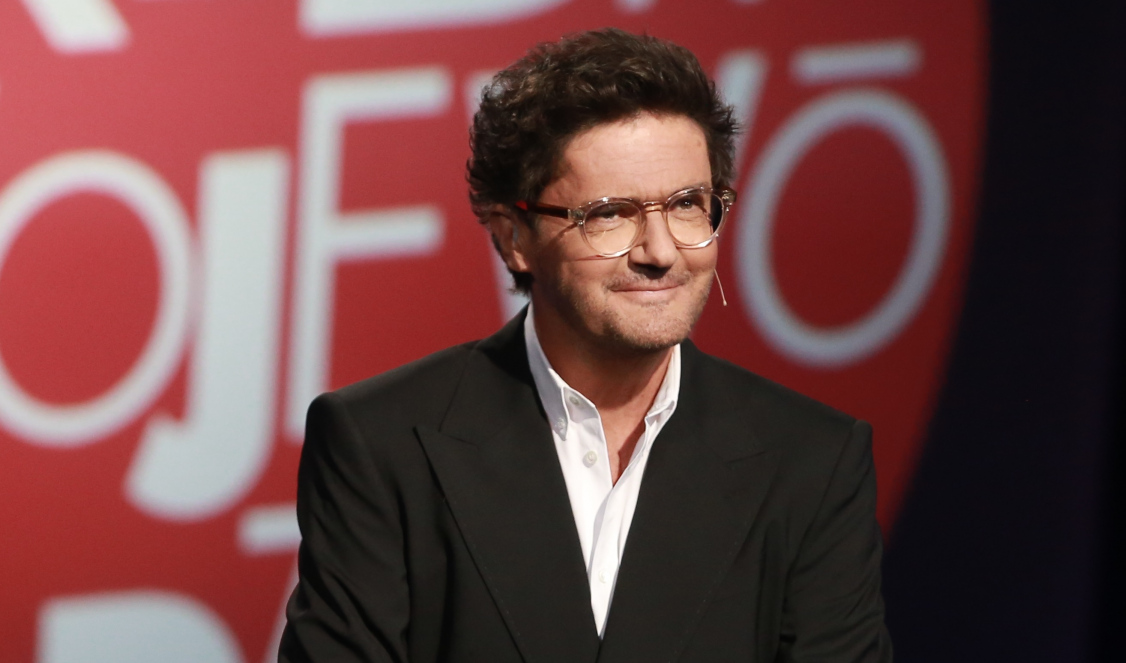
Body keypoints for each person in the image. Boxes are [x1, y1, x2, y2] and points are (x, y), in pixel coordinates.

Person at [279, 28, 891, 663]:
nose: (660, 252)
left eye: (687, 204)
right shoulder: (381, 445)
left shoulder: (813, 461)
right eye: (610, 214)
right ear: (514, 237)